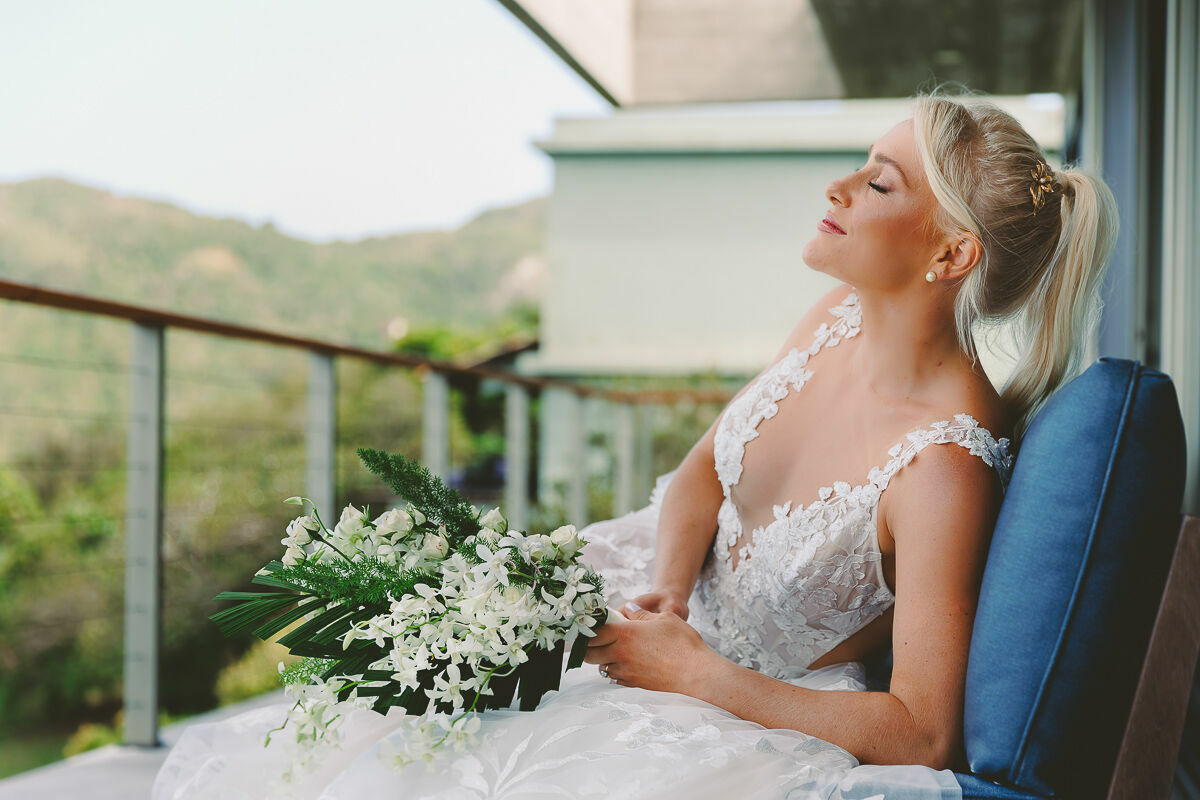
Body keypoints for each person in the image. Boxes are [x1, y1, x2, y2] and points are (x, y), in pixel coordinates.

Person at [153, 93, 1117, 800]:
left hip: (734, 690)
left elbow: (924, 731)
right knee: (367, 722)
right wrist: (663, 581)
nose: (835, 187)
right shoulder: (836, 316)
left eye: (875, 182)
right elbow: (703, 470)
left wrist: (697, 672)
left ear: (949, 256)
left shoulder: (943, 465)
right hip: (650, 590)